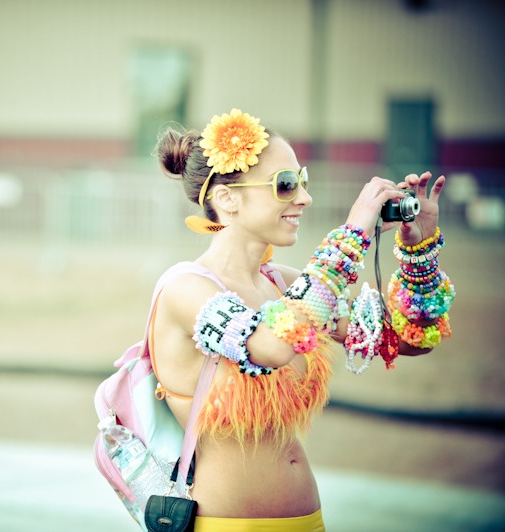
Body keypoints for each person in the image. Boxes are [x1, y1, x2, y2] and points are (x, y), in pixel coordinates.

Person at [149, 109, 454, 531]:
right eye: (286, 185)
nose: (305, 198)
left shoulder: (285, 284)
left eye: (302, 181)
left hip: (310, 521)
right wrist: (352, 233)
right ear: (228, 199)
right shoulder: (185, 288)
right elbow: (273, 344)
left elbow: (409, 340)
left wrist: (419, 251)